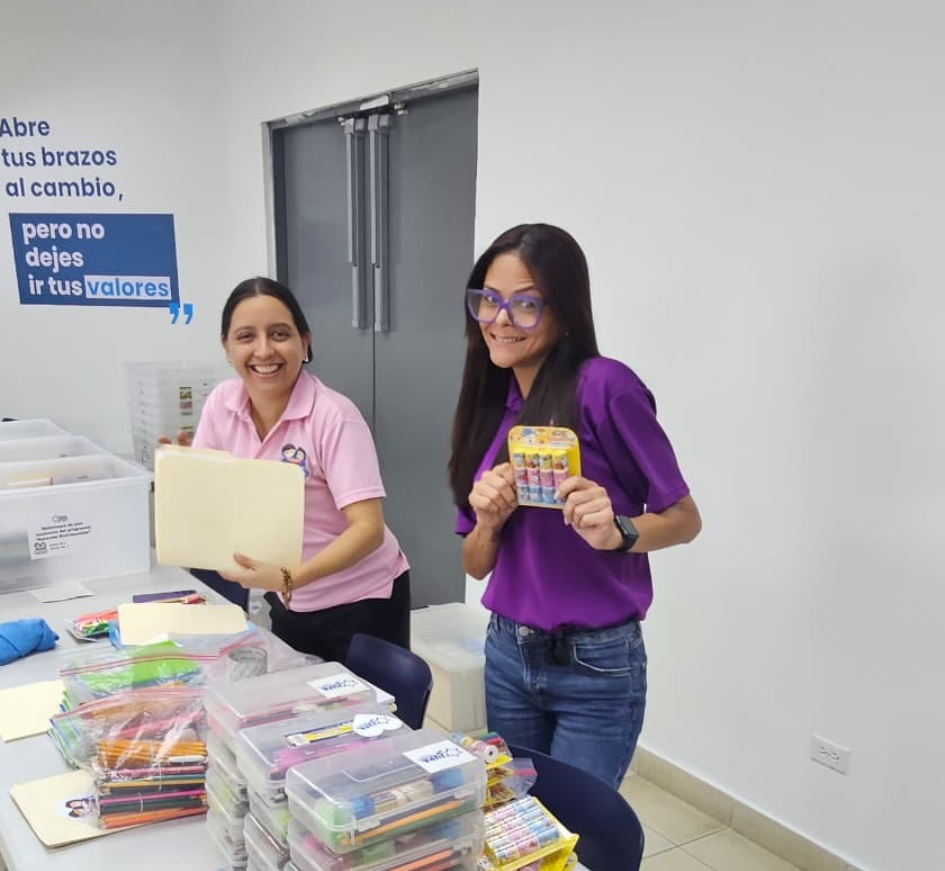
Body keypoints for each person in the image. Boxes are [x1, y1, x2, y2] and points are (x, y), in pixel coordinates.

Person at [449, 224, 701, 788]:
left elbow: (685, 519)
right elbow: (474, 562)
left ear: (564, 311)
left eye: (526, 304)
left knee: (579, 836)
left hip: (596, 661)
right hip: (508, 651)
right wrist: (489, 522)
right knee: (519, 821)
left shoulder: (606, 387)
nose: (500, 319)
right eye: (488, 300)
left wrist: (619, 531)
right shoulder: (493, 402)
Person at [183, 277, 410, 663]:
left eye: (279, 334)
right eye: (245, 337)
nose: (264, 350)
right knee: (301, 711)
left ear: (304, 343)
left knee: (362, 717)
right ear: (226, 346)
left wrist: (288, 577)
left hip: (361, 600)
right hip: (288, 596)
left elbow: (368, 530)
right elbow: (209, 493)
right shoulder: (222, 403)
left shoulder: (334, 416)